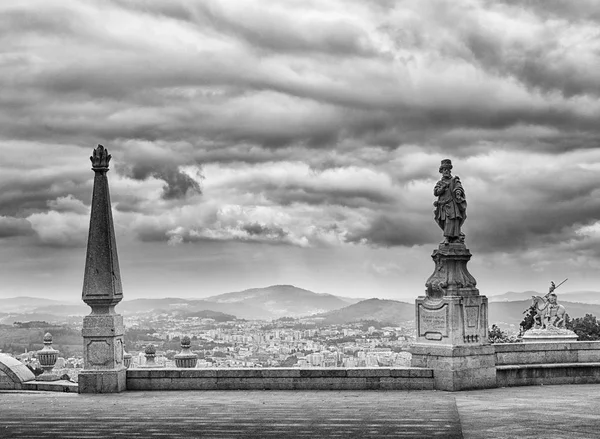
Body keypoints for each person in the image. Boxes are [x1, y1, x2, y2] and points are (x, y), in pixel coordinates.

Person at [433, 159, 467, 243]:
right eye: (444, 169)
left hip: (451, 204)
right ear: (441, 171)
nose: (446, 171)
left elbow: (459, 187)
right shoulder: (440, 183)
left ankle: (448, 238)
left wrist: (458, 192)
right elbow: (436, 192)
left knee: (451, 221)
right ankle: (452, 237)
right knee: (443, 221)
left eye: (448, 169)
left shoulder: (454, 180)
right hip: (442, 206)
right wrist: (443, 188)